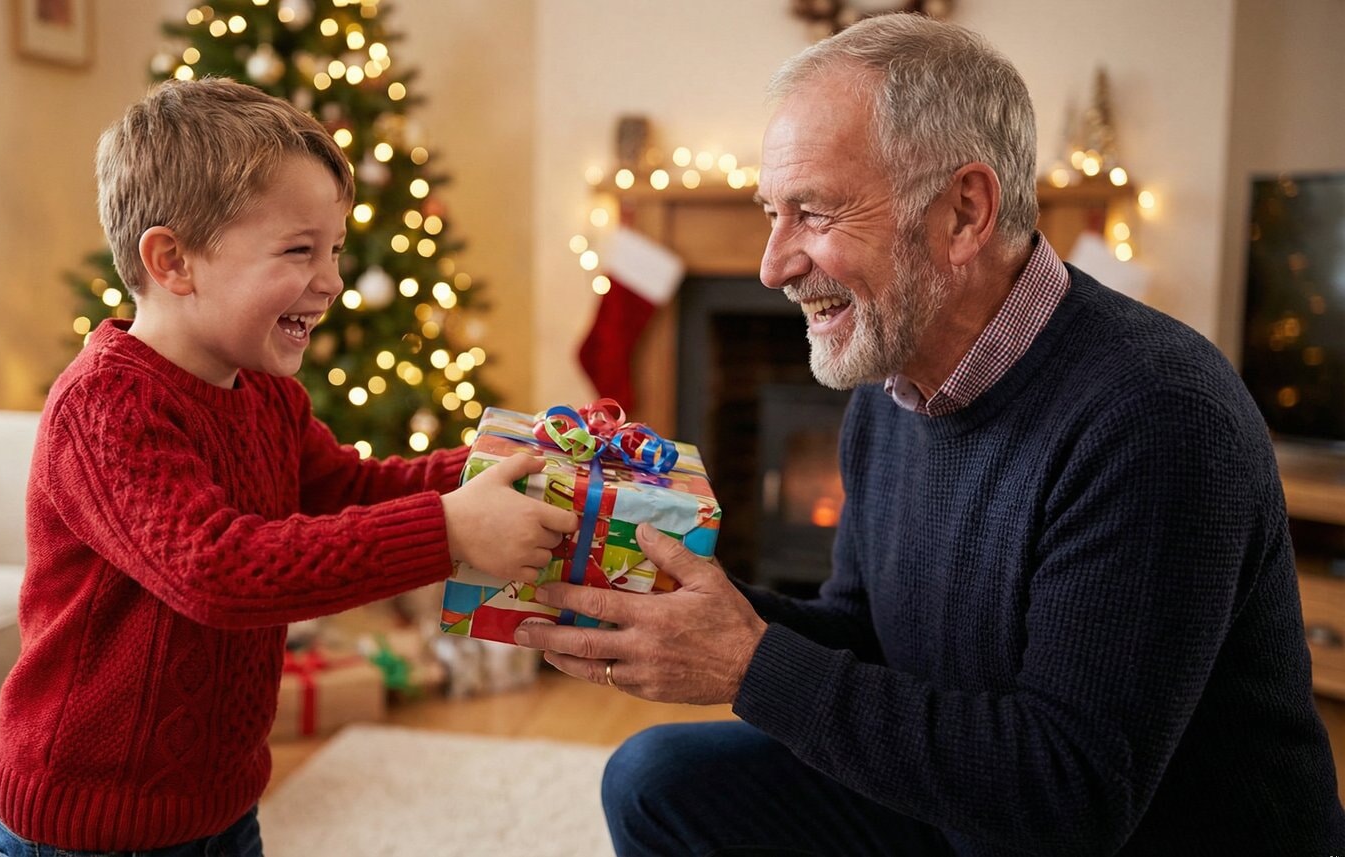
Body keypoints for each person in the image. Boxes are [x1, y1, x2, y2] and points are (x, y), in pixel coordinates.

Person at [516, 14, 1345, 855]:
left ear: (964, 211)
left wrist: (749, 664)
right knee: (657, 781)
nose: (772, 265)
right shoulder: (890, 387)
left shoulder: (1157, 415)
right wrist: (664, 599)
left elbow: (1074, 794)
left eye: (814, 211)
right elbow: (868, 632)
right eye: (771, 211)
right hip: (976, 799)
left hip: (1108, 830)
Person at [0, 77, 577, 856]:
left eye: (333, 249)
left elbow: (346, 491)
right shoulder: (107, 407)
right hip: (92, 824)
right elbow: (214, 568)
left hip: (222, 803)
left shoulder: (262, 393)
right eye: (300, 251)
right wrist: (448, 530)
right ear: (173, 261)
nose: (331, 281)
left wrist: (483, 468)